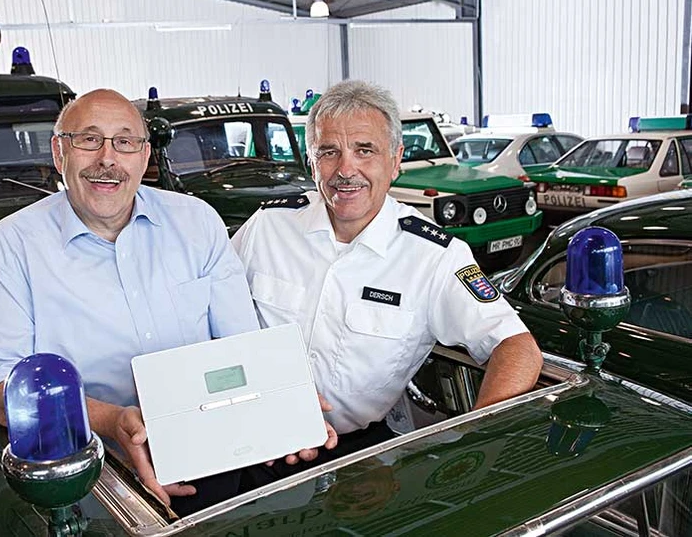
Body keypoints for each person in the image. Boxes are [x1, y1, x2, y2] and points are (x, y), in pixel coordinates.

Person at [0, 89, 267, 512]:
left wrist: (283, 409)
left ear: (144, 158)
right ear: (59, 152)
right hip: (92, 480)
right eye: (89, 140)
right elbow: (2, 392)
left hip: (211, 460)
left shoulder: (196, 222)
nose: (108, 158)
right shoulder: (13, 246)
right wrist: (110, 420)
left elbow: (242, 349)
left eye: (125, 142)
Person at [231, 80, 543, 482]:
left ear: (395, 161)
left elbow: (517, 348)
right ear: (311, 163)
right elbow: (207, 321)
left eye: (365, 150)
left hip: (358, 462)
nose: (346, 170)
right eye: (329, 152)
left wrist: (476, 441)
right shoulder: (267, 228)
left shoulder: (433, 256)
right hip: (250, 436)